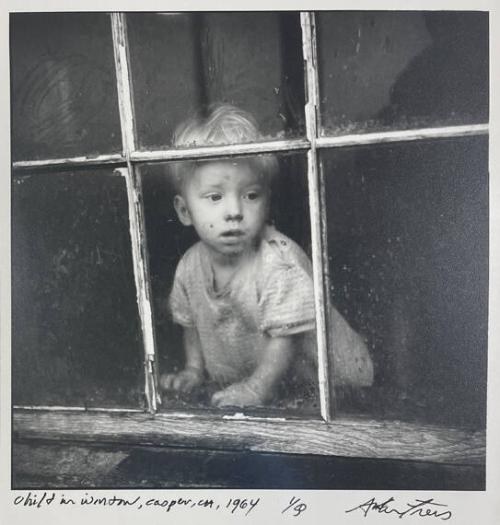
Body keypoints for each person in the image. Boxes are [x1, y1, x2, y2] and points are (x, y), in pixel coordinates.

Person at [161, 104, 373, 408]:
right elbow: (191, 321)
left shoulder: (276, 261)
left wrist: (255, 390)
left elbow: (285, 340)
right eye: (215, 197)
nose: (234, 212)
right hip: (276, 386)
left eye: (251, 195)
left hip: (338, 386)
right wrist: (194, 369)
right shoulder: (190, 265)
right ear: (184, 211)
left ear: (267, 201)